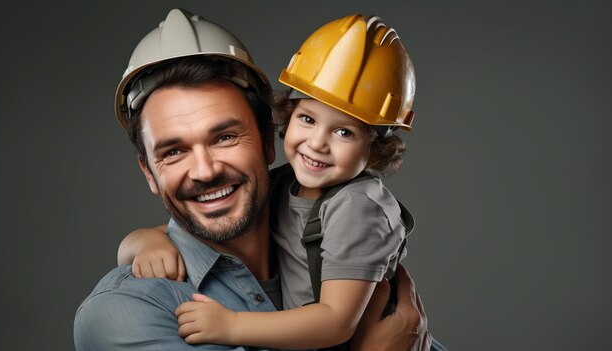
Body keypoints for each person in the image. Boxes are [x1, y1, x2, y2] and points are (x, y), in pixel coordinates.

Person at [74, 8, 439, 351]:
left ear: (268, 140)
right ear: (149, 173)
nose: (205, 171)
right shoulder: (124, 313)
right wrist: (142, 241)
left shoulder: (332, 225)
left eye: (225, 137)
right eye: (174, 152)